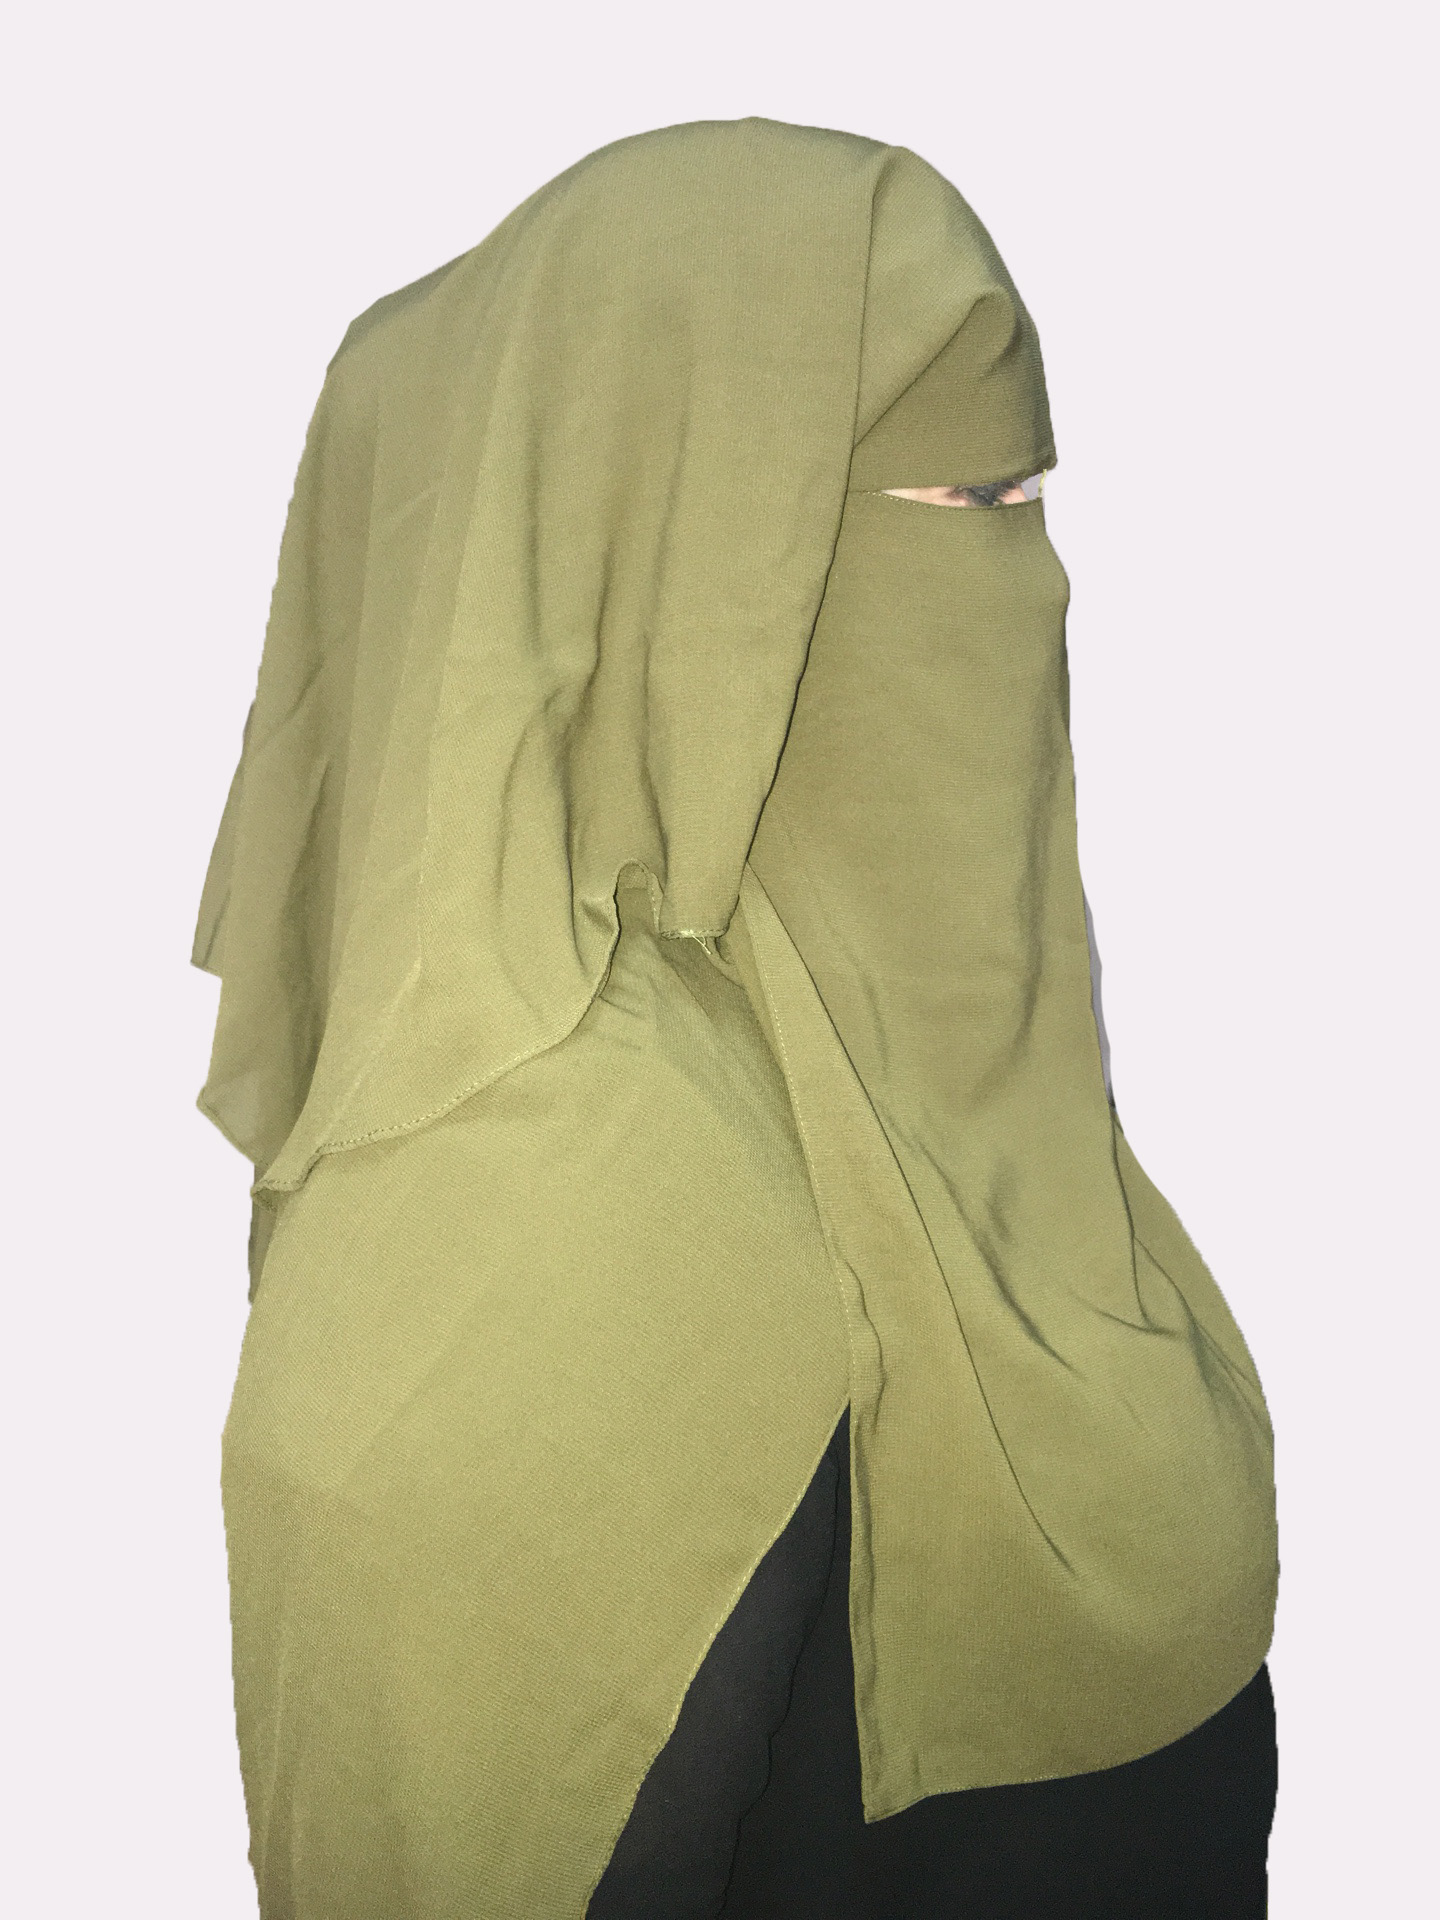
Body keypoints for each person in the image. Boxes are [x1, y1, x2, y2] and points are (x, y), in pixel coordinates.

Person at [193, 116, 1279, 1918]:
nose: (1040, 585)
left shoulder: (922, 1116)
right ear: (674, 570)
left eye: (1027, 501)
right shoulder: (530, 1235)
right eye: (971, 504)